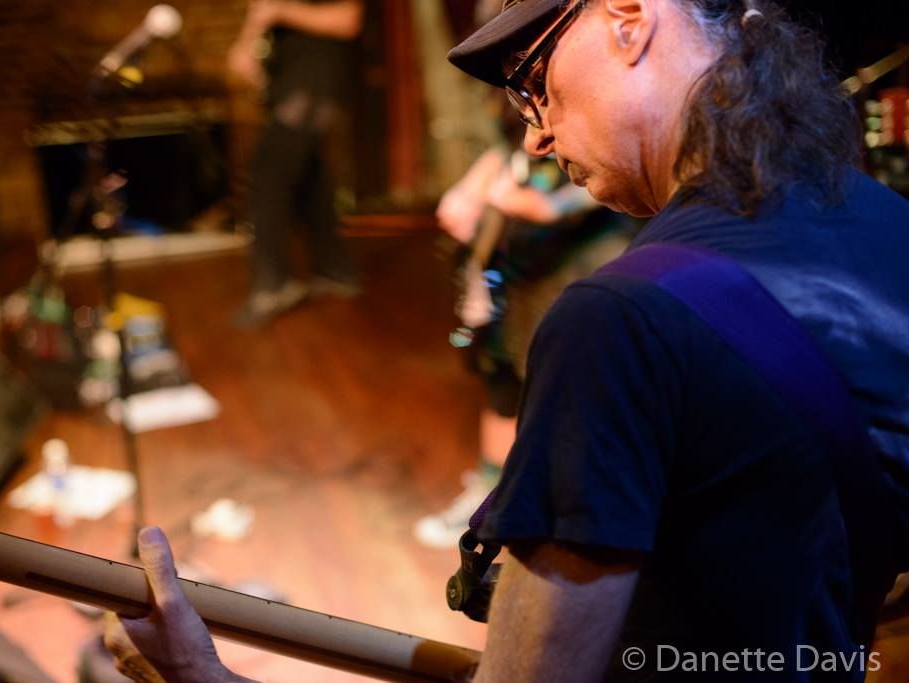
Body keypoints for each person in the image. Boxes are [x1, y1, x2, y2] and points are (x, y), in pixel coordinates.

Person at [106, 0, 909, 681]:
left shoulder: (620, 318)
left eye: (535, 82)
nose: (535, 138)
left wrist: (205, 673)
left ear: (629, 18)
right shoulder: (886, 224)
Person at [415, 120, 633, 548]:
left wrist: (551, 205)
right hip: (520, 260)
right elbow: (514, 139)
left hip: (590, 257)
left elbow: (642, 163)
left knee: (577, 393)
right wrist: (475, 185)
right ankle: (492, 495)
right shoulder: (524, 117)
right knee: (503, 377)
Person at [227, 0, 363, 328]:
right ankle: (336, 270)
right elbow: (264, 9)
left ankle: (271, 286)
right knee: (310, 176)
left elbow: (348, 20)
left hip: (314, 81)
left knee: (267, 175)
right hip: (288, 79)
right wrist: (246, 45)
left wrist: (281, 12)